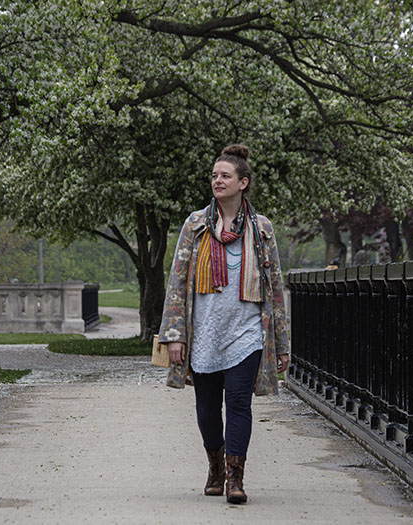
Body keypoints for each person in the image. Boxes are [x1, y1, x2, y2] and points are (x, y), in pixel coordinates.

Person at [158, 144, 289, 504]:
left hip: (247, 332)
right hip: (205, 333)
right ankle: (215, 465)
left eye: (225, 176)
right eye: (214, 176)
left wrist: (282, 344)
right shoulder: (196, 225)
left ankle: (235, 478)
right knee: (206, 409)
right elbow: (177, 282)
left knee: (239, 404)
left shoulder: (261, 230)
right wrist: (174, 335)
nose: (218, 180)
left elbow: (275, 288)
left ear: (243, 182)